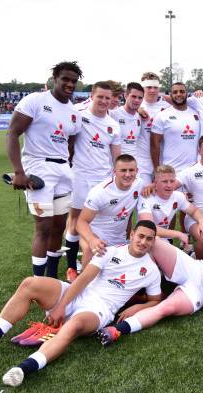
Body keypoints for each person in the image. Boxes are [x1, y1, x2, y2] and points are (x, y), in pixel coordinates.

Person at [0, 220, 163, 387]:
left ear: (154, 241)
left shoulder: (151, 270)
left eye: (149, 239)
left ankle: (25, 368)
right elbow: (83, 279)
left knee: (73, 326)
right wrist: (61, 305)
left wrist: (138, 307)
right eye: (140, 236)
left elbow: (156, 300)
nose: (143, 242)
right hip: (78, 292)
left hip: (99, 310)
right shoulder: (111, 251)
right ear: (131, 235)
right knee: (29, 284)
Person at [6, 61, 83, 277]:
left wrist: (68, 164)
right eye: (65, 79)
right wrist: (19, 172)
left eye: (73, 81)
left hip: (63, 170)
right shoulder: (36, 101)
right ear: (55, 79)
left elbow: (70, 144)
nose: (69, 84)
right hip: (39, 166)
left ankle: (51, 277)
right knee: (44, 227)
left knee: (59, 225)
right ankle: (38, 280)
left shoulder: (74, 112)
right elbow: (12, 133)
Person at [64, 81, 122, 282]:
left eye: (108, 98)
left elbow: (116, 157)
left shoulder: (114, 125)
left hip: (103, 180)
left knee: (98, 223)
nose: (104, 101)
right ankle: (72, 265)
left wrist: (116, 178)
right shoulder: (78, 114)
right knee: (74, 222)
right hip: (80, 177)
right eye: (100, 97)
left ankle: (99, 262)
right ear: (92, 95)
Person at [76, 154, 144, 268]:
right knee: (89, 250)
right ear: (114, 171)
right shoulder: (99, 192)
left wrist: (151, 187)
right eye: (123, 170)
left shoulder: (139, 184)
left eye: (131, 170)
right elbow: (80, 222)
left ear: (137, 171)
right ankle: (83, 282)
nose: (128, 174)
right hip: (98, 236)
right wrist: (92, 239)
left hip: (120, 238)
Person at [138, 164, 203, 249]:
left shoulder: (178, 196)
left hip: (163, 240)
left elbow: (194, 211)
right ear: (155, 183)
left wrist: (202, 222)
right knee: (160, 245)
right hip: (144, 239)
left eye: (172, 181)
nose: (169, 185)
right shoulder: (146, 197)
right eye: (165, 181)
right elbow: (149, 227)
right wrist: (178, 234)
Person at [150, 82, 200, 172]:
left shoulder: (196, 113)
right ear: (170, 94)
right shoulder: (162, 115)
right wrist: (156, 170)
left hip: (194, 171)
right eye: (175, 92)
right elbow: (154, 145)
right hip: (171, 171)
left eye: (182, 91)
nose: (179, 94)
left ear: (187, 93)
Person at [139, 72, 171, 184]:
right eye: (149, 87)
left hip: (163, 160)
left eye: (155, 87)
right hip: (142, 162)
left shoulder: (167, 106)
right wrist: (137, 110)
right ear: (143, 88)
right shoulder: (136, 106)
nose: (152, 90)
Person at [109, 83, 145, 174]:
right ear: (125, 95)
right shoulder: (113, 114)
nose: (137, 100)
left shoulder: (140, 116)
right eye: (133, 96)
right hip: (117, 167)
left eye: (140, 98)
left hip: (134, 166)